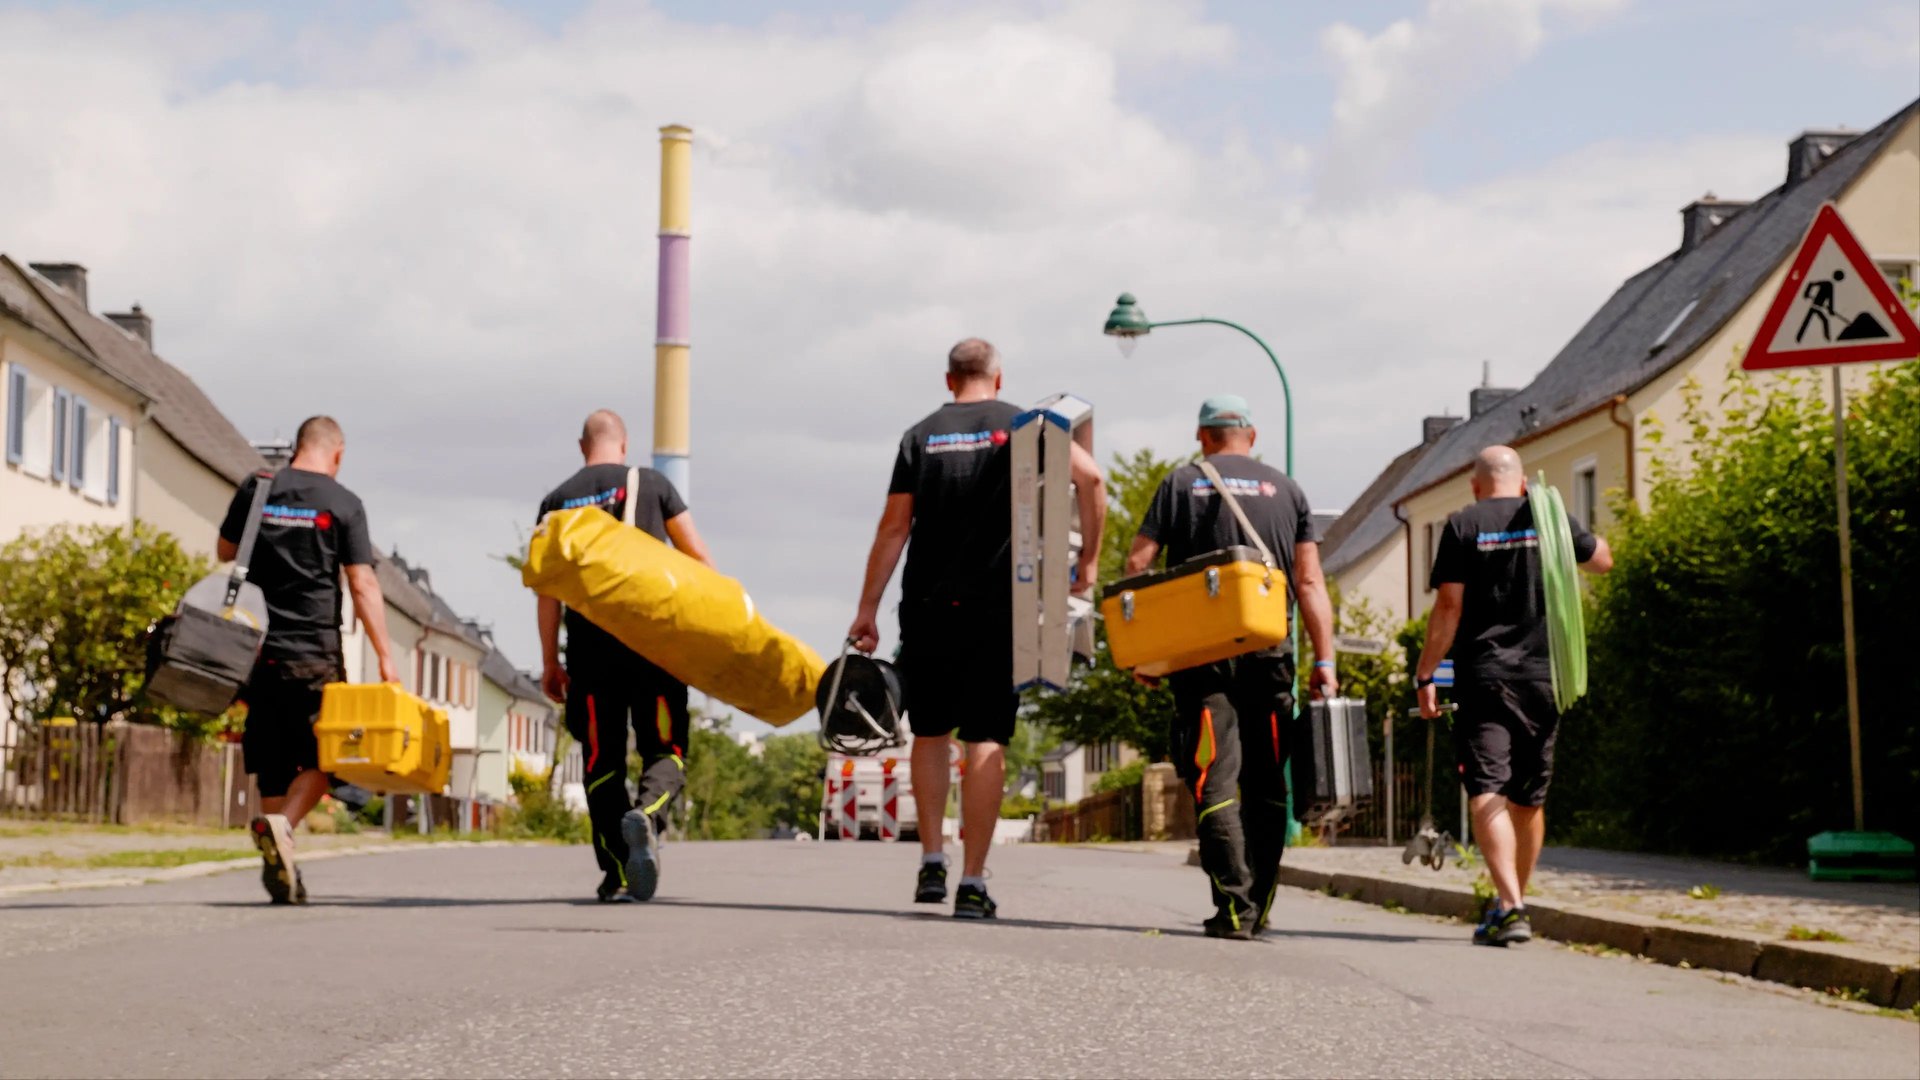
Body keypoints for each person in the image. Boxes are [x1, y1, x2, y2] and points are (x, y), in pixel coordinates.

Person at [850, 338, 1106, 919]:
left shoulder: (920, 436)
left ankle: (931, 862)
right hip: (999, 609)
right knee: (985, 738)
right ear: (998, 377)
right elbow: (1091, 482)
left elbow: (894, 528)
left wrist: (867, 608)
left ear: (949, 380)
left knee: (930, 733)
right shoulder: (1025, 427)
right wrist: (1087, 563)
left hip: (927, 607)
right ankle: (972, 882)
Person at [1121, 394, 1336, 940]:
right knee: (1267, 785)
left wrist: (1146, 653)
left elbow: (1138, 563)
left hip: (1201, 660)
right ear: (1252, 436)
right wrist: (1325, 660)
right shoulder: (1288, 490)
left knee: (1213, 779)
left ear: (1202, 437)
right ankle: (1257, 906)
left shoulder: (1181, 483)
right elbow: (1310, 582)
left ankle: (1234, 907)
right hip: (1270, 655)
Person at [1414, 445, 1612, 947]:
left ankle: (1511, 905)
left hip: (1484, 676)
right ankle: (1511, 905)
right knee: (1527, 799)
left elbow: (1449, 607)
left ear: (1476, 485)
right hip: (1547, 675)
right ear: (1523, 483)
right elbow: (1602, 561)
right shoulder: (1550, 518)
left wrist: (1426, 673)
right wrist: (1571, 529)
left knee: (1487, 788)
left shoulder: (1464, 524)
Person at [218, 415, 401, 905]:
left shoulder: (257, 488)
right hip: (314, 654)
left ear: (298, 446)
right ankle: (282, 827)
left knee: (273, 762)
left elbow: (225, 551)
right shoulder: (343, 503)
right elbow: (362, 583)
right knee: (330, 758)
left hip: (256, 652)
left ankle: (283, 864)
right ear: (337, 454)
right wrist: (386, 658)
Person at [537, 409, 712, 904]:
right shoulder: (652, 485)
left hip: (590, 653)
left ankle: (616, 869)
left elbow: (547, 592)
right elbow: (698, 559)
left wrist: (550, 661)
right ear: (625, 444)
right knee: (665, 750)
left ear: (582, 447)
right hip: (654, 647)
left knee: (601, 762)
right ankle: (648, 815)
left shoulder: (556, 502)